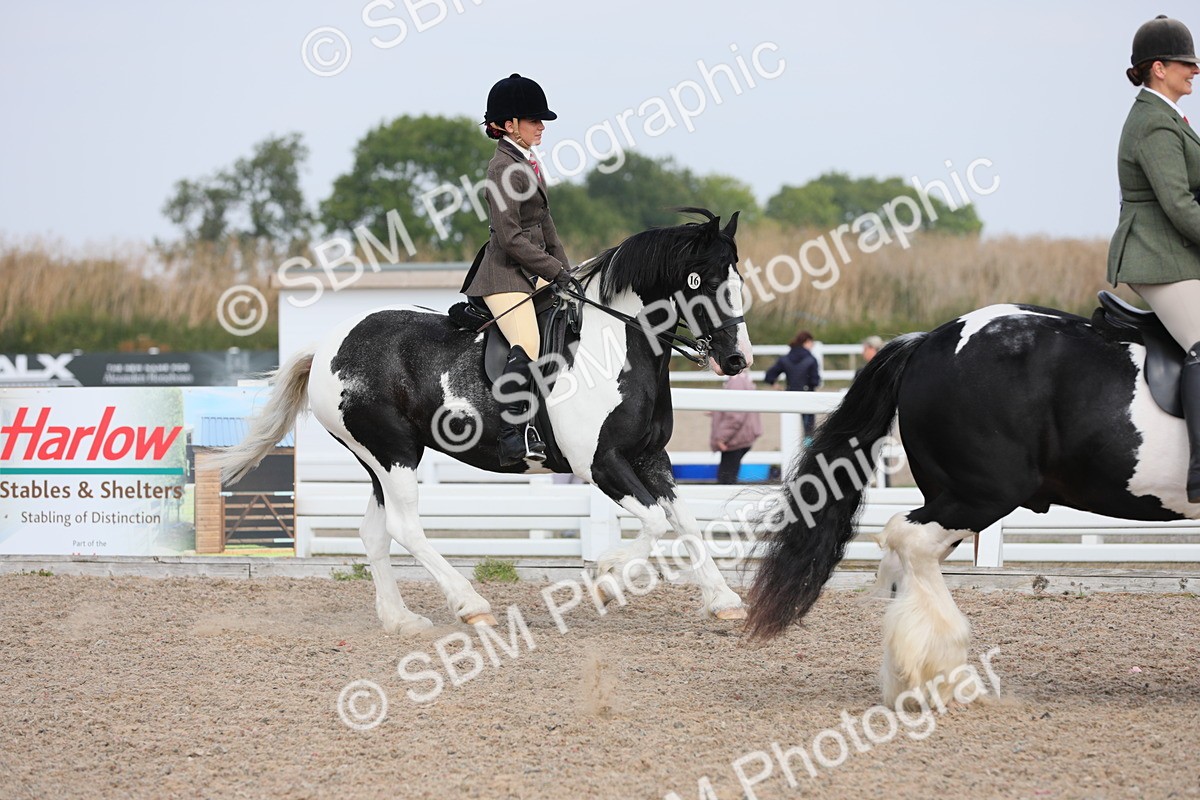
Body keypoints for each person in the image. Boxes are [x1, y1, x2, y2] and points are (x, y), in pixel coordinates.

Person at [1106, 15, 1200, 502]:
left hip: (1178, 253)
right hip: (1159, 256)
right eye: (1187, 63)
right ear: (1159, 68)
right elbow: (1180, 204)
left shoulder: (1169, 118)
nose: (1196, 71)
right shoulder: (1153, 124)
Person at [461, 74, 572, 467]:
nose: (542, 126)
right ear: (509, 125)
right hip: (505, 275)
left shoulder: (527, 161)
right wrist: (554, 270)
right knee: (529, 341)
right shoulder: (500, 167)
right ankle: (512, 432)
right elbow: (509, 237)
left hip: (532, 270)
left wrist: (569, 274)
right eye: (534, 120)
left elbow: (545, 226)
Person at [764, 330, 822, 441]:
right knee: (808, 430)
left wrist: (774, 384)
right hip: (807, 396)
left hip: (790, 395)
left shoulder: (785, 359)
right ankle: (807, 447)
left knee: (790, 429)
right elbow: (815, 381)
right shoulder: (811, 360)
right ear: (807, 342)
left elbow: (769, 375)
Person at [709, 371, 763, 484]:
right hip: (741, 436)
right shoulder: (743, 379)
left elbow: (735, 415)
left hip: (735, 439)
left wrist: (721, 437)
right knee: (729, 476)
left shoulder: (736, 382)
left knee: (725, 479)